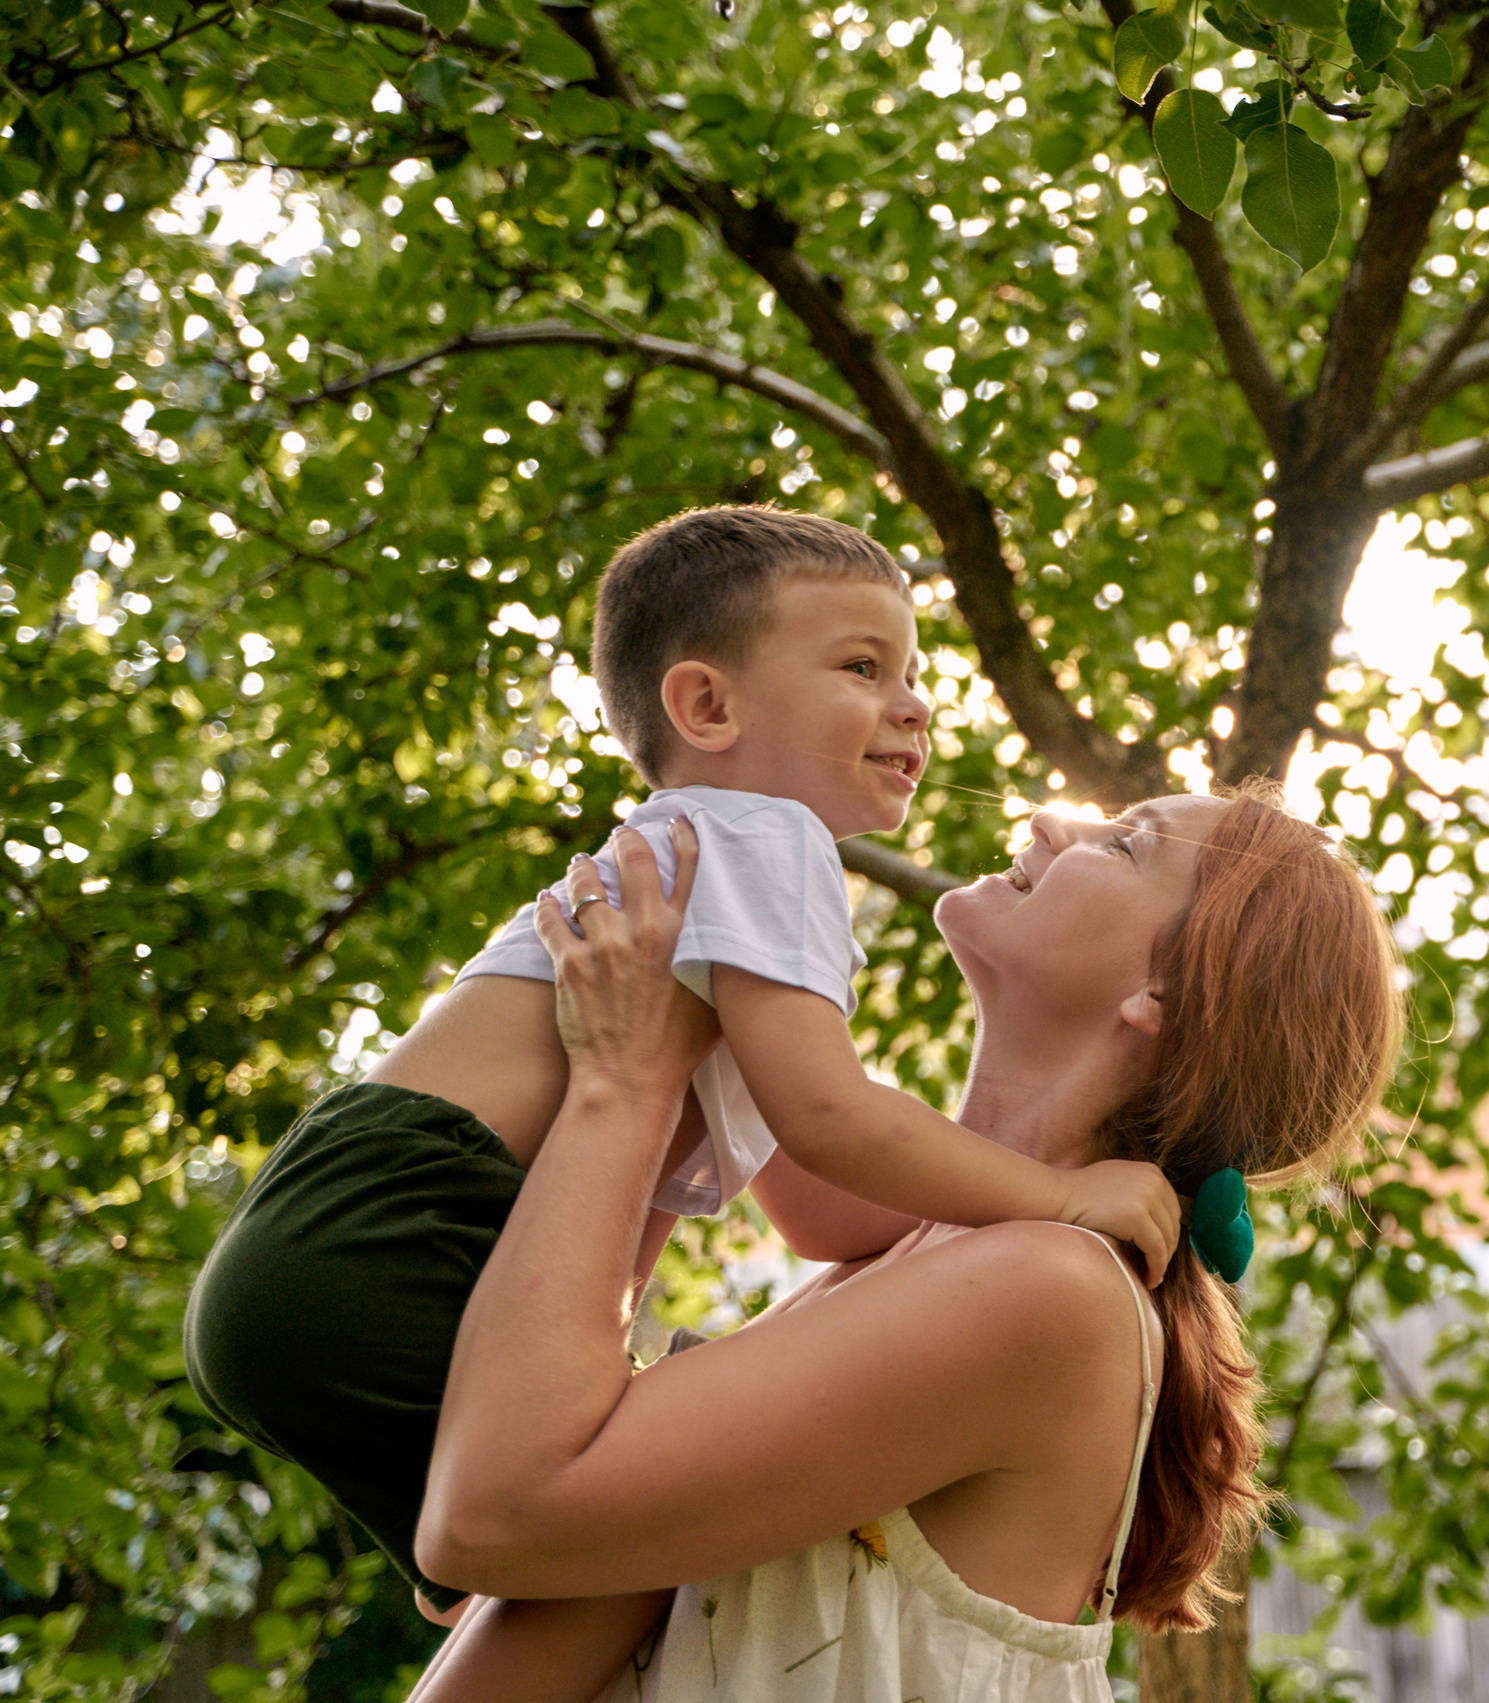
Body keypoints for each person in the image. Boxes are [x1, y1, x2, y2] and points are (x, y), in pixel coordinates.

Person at [182, 506, 1180, 1624]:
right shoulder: (765, 839)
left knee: (603, 1579)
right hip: (405, 1231)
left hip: (309, 1259)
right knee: (654, 1522)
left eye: (914, 672)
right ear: (708, 705)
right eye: (862, 666)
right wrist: (1059, 1195)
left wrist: (968, 1224)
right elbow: (827, 1117)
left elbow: (815, 1209)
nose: (914, 704)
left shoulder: (700, 869)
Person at [402, 781, 1402, 1701]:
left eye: (1124, 841)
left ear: (1168, 998)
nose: (1051, 818)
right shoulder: (917, 1247)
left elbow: (489, 1516)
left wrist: (622, 1080)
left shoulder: (1046, 1287)